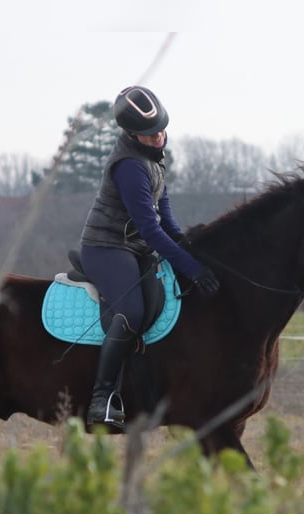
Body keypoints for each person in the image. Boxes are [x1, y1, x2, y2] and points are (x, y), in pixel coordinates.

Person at [80, 85, 220, 429]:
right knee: (132, 310)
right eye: (149, 133)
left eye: (160, 129)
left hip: (135, 247)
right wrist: (190, 266)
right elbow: (151, 230)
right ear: (131, 134)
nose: (158, 137)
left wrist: (193, 251)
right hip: (107, 247)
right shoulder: (130, 167)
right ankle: (101, 398)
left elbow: (168, 221)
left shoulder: (153, 161)